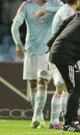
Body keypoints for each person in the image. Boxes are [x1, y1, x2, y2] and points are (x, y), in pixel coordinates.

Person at [11, 0, 63, 128]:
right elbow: (15, 25)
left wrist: (46, 10)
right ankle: (38, 116)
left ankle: (35, 116)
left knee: (42, 82)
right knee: (33, 84)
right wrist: (18, 43)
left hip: (46, 51)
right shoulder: (26, 5)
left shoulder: (55, 3)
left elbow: (67, 11)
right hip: (30, 51)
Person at [49, 0, 80, 129]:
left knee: (71, 89)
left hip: (64, 54)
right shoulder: (67, 13)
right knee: (66, 89)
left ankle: (69, 121)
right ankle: (60, 122)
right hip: (62, 55)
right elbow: (71, 35)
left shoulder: (71, 12)